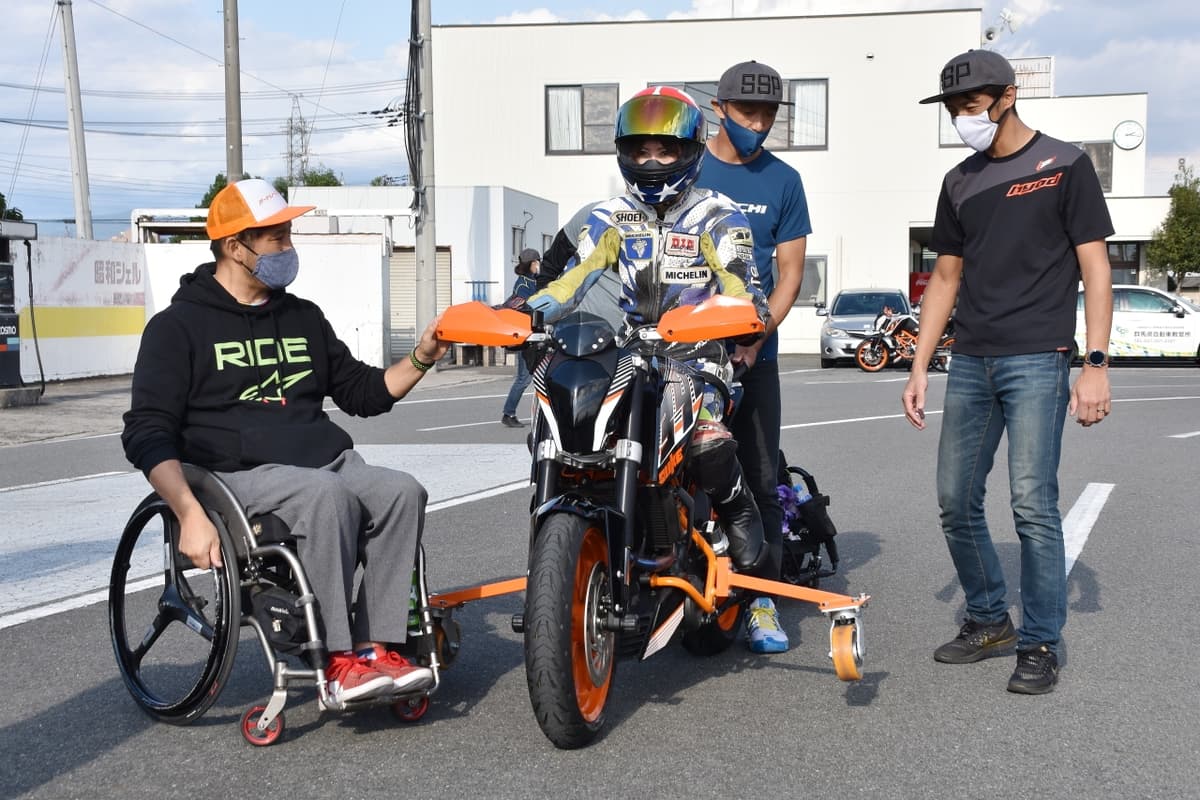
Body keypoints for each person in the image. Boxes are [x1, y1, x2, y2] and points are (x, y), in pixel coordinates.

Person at [121, 178, 449, 706]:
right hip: (236, 474)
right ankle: (337, 661)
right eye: (277, 238)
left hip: (325, 461)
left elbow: (364, 392)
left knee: (401, 491)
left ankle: (376, 647)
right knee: (327, 496)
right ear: (235, 246)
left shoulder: (302, 316)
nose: (289, 249)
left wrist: (423, 356)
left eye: (289, 235)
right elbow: (146, 432)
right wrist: (188, 512)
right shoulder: (177, 327)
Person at [903, 50, 1114, 694]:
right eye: (954, 109)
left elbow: (1096, 267)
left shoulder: (1065, 165)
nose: (963, 118)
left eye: (970, 105)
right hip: (970, 360)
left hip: (1038, 358)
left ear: (1007, 95)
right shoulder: (960, 181)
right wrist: (919, 365)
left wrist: (1095, 364)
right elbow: (945, 277)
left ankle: (1040, 642)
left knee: (1032, 503)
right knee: (954, 500)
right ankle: (989, 618)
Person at [527, 86, 772, 580]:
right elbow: (571, 279)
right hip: (629, 352)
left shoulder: (719, 215)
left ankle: (736, 507)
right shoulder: (609, 216)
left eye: (666, 149)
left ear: (690, 152)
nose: (653, 160)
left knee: (701, 438)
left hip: (696, 354)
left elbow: (745, 289)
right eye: (641, 149)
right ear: (624, 152)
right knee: (566, 421)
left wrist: (740, 314)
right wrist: (526, 312)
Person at [696, 60, 812, 654]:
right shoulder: (686, 167)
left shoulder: (784, 181)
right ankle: (691, 593)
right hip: (684, 357)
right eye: (748, 112)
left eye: (768, 114)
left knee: (762, 478)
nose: (759, 124)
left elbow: (790, 273)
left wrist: (759, 336)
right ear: (719, 108)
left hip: (754, 356)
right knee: (683, 476)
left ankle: (763, 600)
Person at [499, 247, 548, 427]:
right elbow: (529, 306)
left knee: (542, 376)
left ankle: (545, 414)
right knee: (524, 379)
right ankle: (508, 413)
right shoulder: (523, 285)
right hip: (526, 338)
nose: (539, 265)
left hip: (537, 335)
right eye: (537, 262)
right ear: (532, 264)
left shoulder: (534, 281)